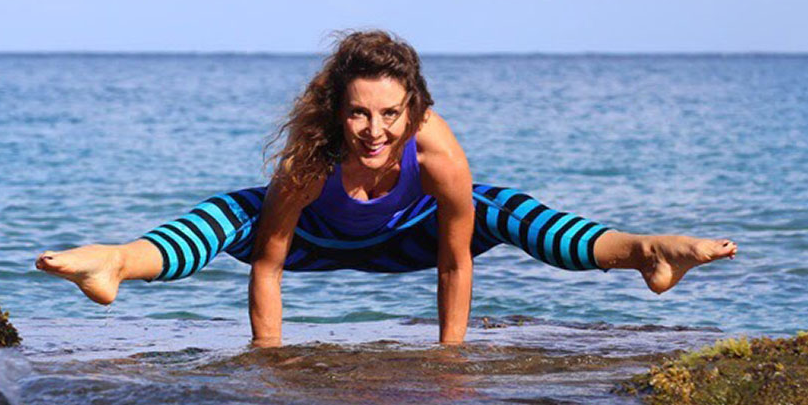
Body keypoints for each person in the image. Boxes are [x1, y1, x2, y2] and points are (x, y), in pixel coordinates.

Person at [36, 30, 737, 345]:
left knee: (503, 208)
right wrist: (269, 358)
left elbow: (457, 262)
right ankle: (115, 262)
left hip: (410, 240)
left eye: (391, 114)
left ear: (414, 110)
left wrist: (450, 360)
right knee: (230, 215)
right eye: (360, 113)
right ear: (338, 110)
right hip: (315, 241)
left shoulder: (438, 154)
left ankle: (647, 249)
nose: (375, 130)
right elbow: (270, 263)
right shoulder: (307, 160)